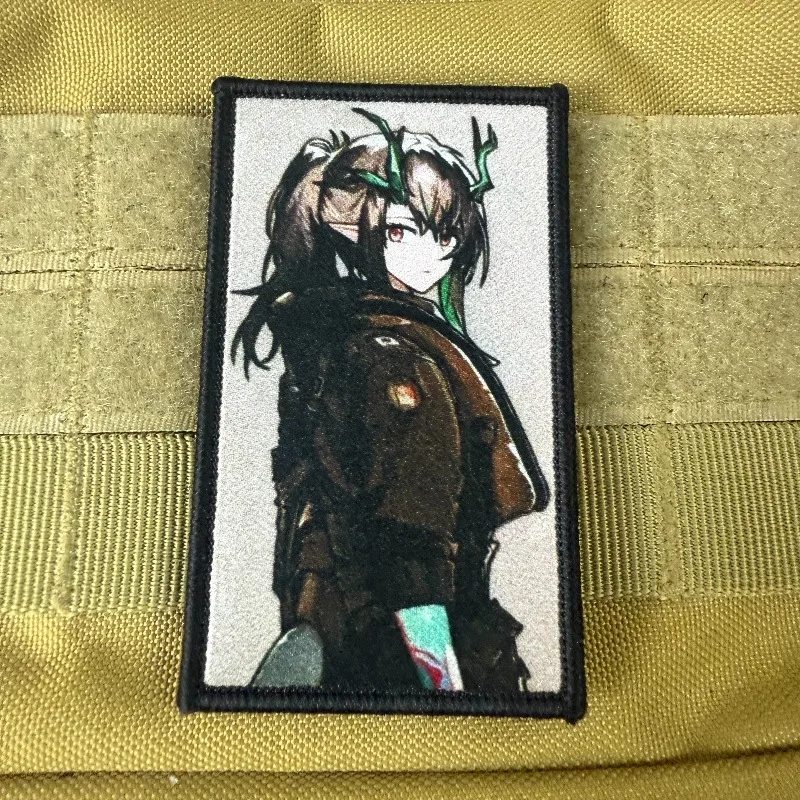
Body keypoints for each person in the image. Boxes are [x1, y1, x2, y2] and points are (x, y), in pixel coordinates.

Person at [232, 108, 549, 693]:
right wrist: (442, 679)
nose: (433, 253)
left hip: (338, 625)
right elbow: (412, 545)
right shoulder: (394, 360)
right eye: (403, 231)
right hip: (403, 644)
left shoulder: (334, 345)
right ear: (355, 235)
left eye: (445, 234)